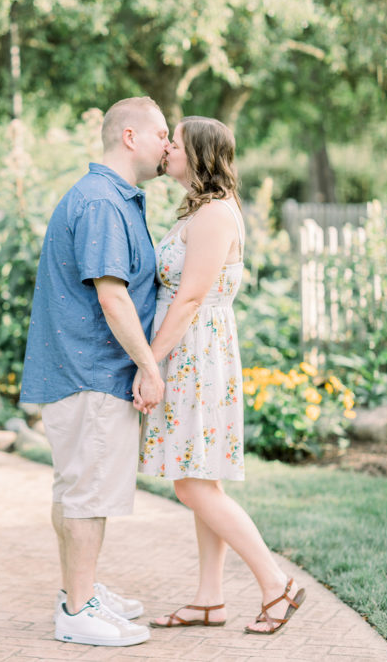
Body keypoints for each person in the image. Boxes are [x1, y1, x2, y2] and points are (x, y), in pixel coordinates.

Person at [138, 116, 306, 634]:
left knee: (191, 485)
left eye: (177, 142)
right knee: (200, 478)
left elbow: (189, 298)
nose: (167, 147)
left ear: (200, 155)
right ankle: (209, 600)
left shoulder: (213, 214)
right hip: (194, 348)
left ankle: (277, 583)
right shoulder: (203, 209)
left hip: (193, 353)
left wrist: (150, 363)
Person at [20, 96, 170, 647]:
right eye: (161, 134)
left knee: (75, 492)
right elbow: (113, 296)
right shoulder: (104, 202)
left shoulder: (107, 196)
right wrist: (149, 367)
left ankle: (78, 594)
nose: (169, 145)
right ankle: (78, 611)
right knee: (89, 497)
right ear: (130, 137)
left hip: (79, 372)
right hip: (92, 373)